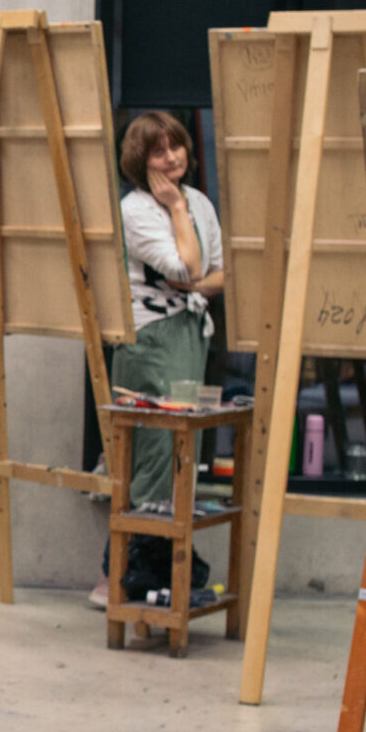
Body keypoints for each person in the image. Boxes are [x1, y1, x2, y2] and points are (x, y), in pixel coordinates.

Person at [88, 111, 224, 607]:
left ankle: (160, 574)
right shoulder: (137, 209)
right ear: (139, 160)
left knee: (184, 452)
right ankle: (116, 577)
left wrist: (194, 273)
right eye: (158, 151)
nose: (171, 158)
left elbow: (219, 273)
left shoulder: (200, 201)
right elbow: (186, 268)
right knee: (151, 453)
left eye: (176, 146)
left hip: (192, 334)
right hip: (149, 340)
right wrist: (177, 211)